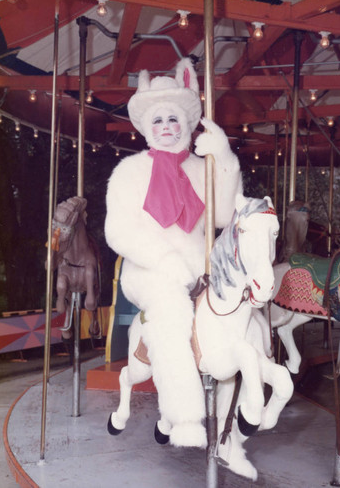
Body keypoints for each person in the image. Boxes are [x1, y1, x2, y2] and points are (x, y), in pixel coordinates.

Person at [105, 58, 242, 447]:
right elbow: (118, 231)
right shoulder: (129, 171)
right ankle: (184, 418)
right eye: (159, 121)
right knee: (170, 308)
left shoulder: (202, 167)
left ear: (186, 124)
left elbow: (226, 215)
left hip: (200, 269)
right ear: (148, 127)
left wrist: (225, 159)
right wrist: (165, 261)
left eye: (173, 120)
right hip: (148, 270)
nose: (166, 128)